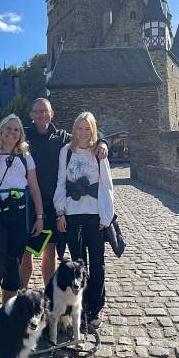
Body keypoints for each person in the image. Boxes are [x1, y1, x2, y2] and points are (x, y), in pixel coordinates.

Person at [0, 98, 108, 287]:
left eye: (46, 111)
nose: (42, 114)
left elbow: (85, 139)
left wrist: (103, 143)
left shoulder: (62, 137)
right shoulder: (24, 136)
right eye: (38, 111)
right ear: (31, 114)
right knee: (25, 252)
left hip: (51, 203)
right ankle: (23, 294)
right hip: (27, 203)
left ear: (52, 114)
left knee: (49, 251)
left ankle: (49, 297)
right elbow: (2, 141)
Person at [0, 114, 44, 324]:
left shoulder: (25, 156)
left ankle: (7, 321)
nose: (12, 133)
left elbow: (35, 188)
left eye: (16, 129)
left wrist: (39, 217)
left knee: (13, 269)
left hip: (19, 219)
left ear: (21, 134)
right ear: (1, 131)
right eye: (8, 128)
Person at [54, 111, 114, 328]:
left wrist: (106, 216)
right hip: (72, 215)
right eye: (79, 128)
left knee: (97, 264)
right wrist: (60, 212)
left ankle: (95, 308)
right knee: (79, 265)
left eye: (87, 128)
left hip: (94, 215)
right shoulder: (66, 152)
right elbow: (61, 182)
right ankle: (83, 307)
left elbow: (107, 185)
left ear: (93, 130)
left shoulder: (99, 152)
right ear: (74, 130)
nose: (83, 133)